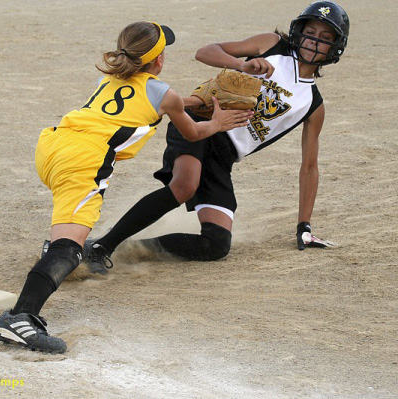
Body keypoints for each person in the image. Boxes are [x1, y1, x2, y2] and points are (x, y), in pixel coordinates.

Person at [0, 21, 253, 353]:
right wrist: (217, 122)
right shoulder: (165, 94)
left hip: (54, 145)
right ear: (158, 61)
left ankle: (51, 260)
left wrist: (192, 100)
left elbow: (159, 100)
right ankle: (20, 317)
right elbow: (193, 133)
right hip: (85, 160)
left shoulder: (109, 79)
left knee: (67, 240)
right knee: (70, 250)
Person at [86, 1, 350, 273]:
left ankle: (131, 248)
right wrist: (240, 64)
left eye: (324, 38)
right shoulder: (272, 46)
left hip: (223, 158)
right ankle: (102, 247)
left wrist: (304, 225)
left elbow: (309, 167)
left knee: (217, 244)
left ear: (335, 48)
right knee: (184, 186)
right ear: (298, 30)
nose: (313, 41)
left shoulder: (313, 104)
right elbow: (205, 52)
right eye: (310, 32)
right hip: (201, 122)